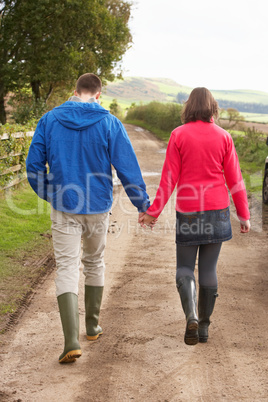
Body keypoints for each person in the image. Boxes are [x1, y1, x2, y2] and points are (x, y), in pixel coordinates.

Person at [26, 73, 150, 363]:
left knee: (67, 266)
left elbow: (33, 167)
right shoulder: (109, 122)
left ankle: (71, 340)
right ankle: (92, 327)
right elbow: (127, 167)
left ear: (74, 91)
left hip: (64, 206)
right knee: (94, 261)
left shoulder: (50, 120)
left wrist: (52, 194)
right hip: (97, 206)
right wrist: (142, 205)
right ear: (98, 95)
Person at [139, 87, 250, 345]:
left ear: (189, 107)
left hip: (189, 212)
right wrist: (244, 215)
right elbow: (235, 179)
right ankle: (204, 328)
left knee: (185, 268)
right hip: (217, 211)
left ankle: (191, 315)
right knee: (209, 269)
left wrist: (152, 212)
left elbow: (169, 178)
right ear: (213, 107)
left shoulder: (178, 135)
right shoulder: (224, 137)